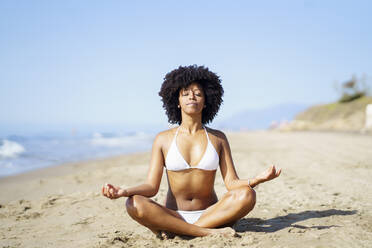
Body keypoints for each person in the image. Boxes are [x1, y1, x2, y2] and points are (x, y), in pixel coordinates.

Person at [102, 65, 281, 237]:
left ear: (206, 102)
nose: (192, 97)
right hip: (173, 214)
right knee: (134, 203)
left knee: (247, 194)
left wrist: (257, 180)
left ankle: (181, 230)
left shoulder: (218, 138)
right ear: (177, 102)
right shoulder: (163, 139)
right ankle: (204, 232)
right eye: (185, 94)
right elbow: (151, 187)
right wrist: (124, 192)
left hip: (211, 214)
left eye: (198, 94)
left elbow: (232, 183)